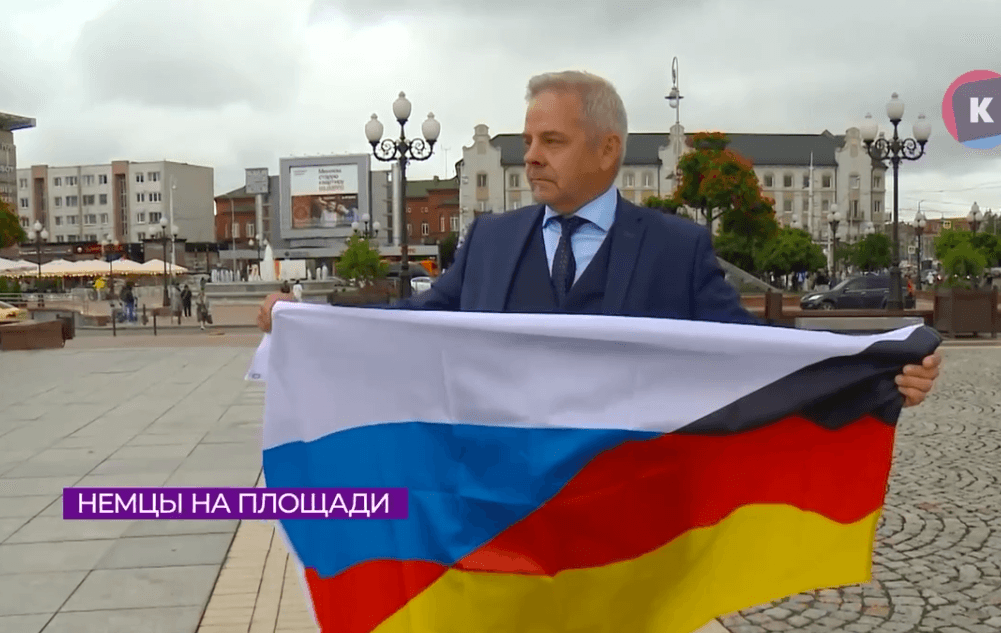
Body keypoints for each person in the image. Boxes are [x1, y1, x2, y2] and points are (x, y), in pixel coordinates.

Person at [259, 70, 941, 408]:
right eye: (526, 141)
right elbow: (417, 325)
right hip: (501, 507)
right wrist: (306, 321)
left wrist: (878, 373)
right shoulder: (491, 240)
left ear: (608, 149)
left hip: (621, 515)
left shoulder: (676, 249)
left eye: (550, 141)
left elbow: (753, 356)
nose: (528, 158)